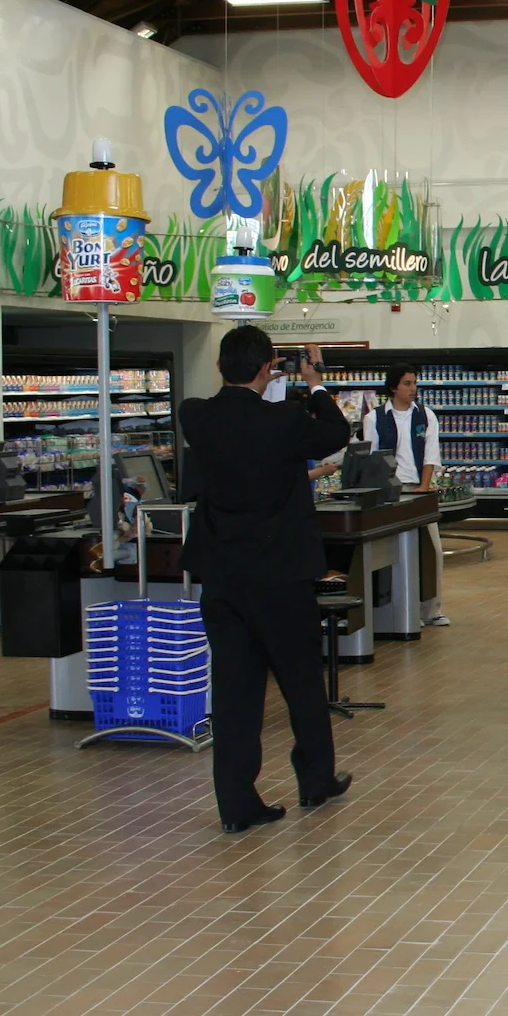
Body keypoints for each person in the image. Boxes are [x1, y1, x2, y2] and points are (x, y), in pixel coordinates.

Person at [179, 331, 353, 834]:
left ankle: (237, 805)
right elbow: (336, 432)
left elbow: (225, 410)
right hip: (280, 574)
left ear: (219, 366)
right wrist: (314, 383)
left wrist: (263, 378)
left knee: (234, 689)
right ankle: (315, 780)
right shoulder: (285, 420)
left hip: (223, 577)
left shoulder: (197, 416)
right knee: (301, 681)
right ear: (267, 368)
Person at [367, 364, 450, 626]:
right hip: (390, 492)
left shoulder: (426, 415)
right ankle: (401, 610)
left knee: (432, 550)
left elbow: (431, 454)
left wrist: (424, 487)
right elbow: (371, 460)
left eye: (414, 383)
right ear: (393, 387)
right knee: (393, 554)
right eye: (407, 383)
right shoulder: (374, 418)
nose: (413, 388)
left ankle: (431, 610)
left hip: (419, 489)